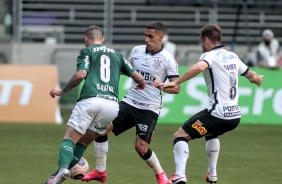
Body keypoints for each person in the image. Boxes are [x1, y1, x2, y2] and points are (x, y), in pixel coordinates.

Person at [154, 24, 264, 184]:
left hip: (217, 113)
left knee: (180, 136)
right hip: (234, 117)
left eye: (201, 41)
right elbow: (251, 76)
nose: (200, 45)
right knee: (211, 132)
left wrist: (175, 82)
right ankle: (212, 174)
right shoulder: (233, 56)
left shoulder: (209, 56)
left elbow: (199, 67)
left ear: (206, 40)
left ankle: (179, 176)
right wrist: (258, 79)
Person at [81, 21, 180, 184]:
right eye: (145, 35)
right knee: (101, 130)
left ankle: (161, 175)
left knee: (141, 149)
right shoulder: (137, 51)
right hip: (129, 102)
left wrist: (164, 86)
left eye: (151, 36)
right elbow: (125, 69)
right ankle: (100, 171)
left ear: (161, 37)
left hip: (149, 109)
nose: (146, 39)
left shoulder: (168, 59)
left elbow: (176, 88)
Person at [45, 25, 146, 184]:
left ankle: (63, 168)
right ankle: (54, 178)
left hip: (90, 100)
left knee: (70, 138)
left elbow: (80, 75)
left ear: (86, 38)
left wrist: (63, 91)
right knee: (83, 142)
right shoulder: (118, 55)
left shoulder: (87, 51)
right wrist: (141, 84)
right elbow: (137, 76)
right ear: (103, 40)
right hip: (112, 106)